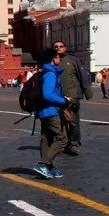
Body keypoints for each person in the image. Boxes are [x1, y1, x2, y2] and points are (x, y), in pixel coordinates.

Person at [32, 48, 70, 180]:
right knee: (62, 139)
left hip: (43, 110)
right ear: (53, 59)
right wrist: (63, 100)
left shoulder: (43, 71)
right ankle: (43, 164)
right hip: (51, 110)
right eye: (58, 57)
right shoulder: (51, 73)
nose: (60, 59)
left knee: (46, 139)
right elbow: (48, 94)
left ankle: (48, 167)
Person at [52, 41, 89, 154]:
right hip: (56, 97)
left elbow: (82, 75)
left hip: (72, 95)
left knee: (73, 121)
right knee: (59, 122)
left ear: (65, 48)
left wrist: (87, 91)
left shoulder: (73, 60)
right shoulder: (51, 61)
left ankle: (74, 144)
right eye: (56, 47)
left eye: (61, 46)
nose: (58, 48)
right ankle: (63, 142)